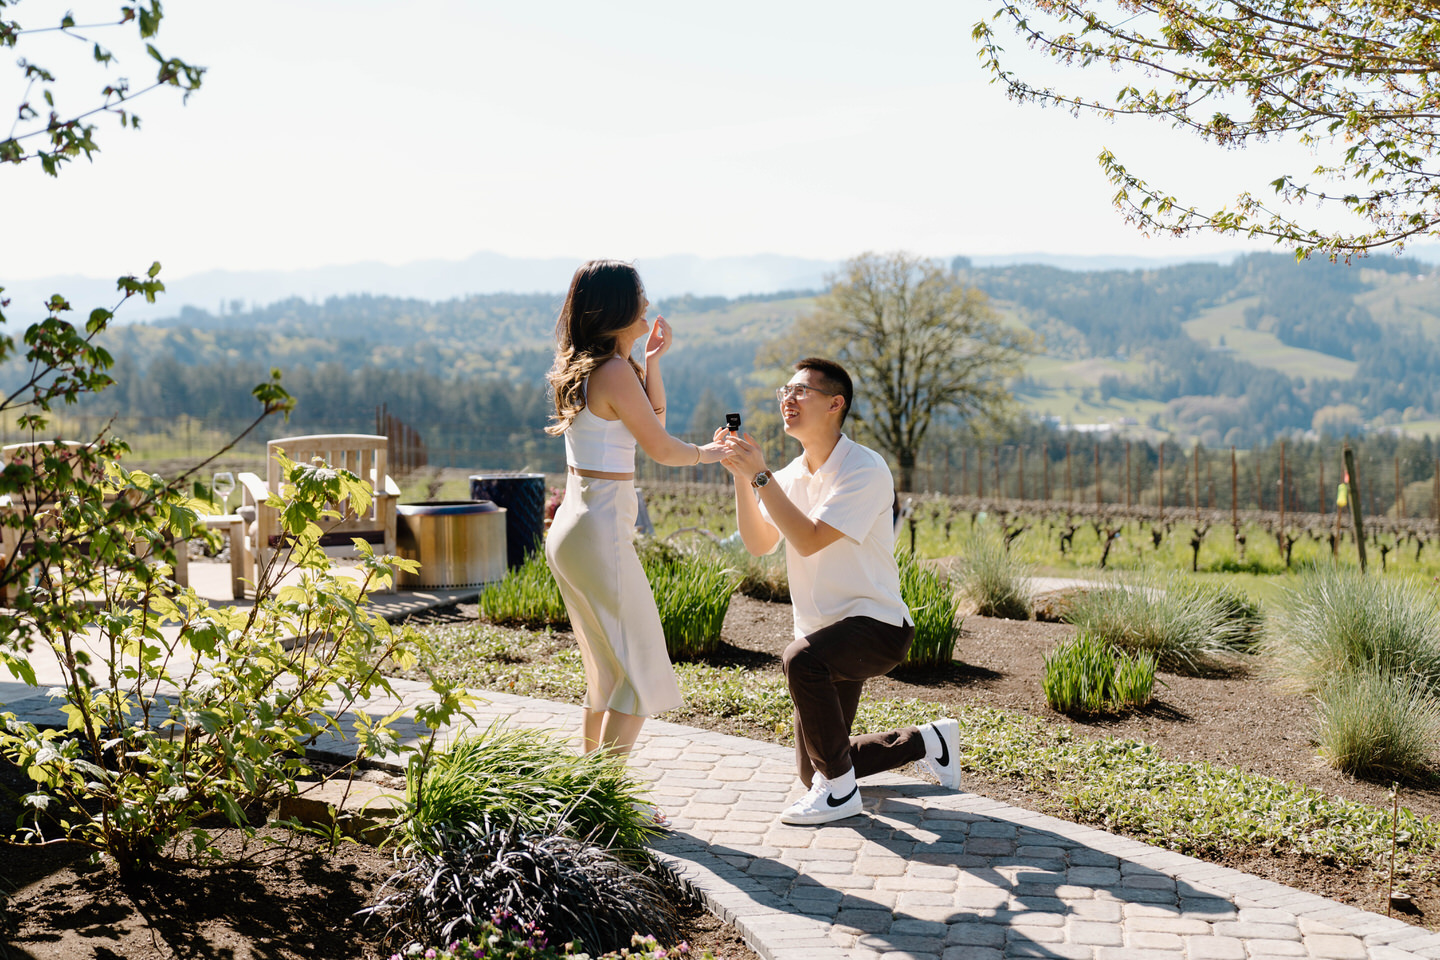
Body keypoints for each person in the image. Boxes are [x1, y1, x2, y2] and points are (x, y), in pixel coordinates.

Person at [717, 357, 961, 825]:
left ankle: (841, 797)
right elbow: (759, 542)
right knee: (814, 770)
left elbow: (808, 540)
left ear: (835, 404)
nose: (787, 398)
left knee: (799, 661)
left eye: (800, 391)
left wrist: (762, 477)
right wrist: (743, 477)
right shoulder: (789, 476)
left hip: (876, 627)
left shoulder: (864, 469)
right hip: (825, 633)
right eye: (784, 390)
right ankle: (929, 741)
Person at [544, 260, 728, 770]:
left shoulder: (591, 369)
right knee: (643, 668)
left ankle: (586, 786)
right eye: (640, 295)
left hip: (574, 529)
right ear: (619, 306)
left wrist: (653, 362)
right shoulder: (613, 372)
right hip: (599, 529)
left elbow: (650, 424)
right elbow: (663, 449)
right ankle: (606, 791)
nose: (647, 302)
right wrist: (712, 453)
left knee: (606, 669)